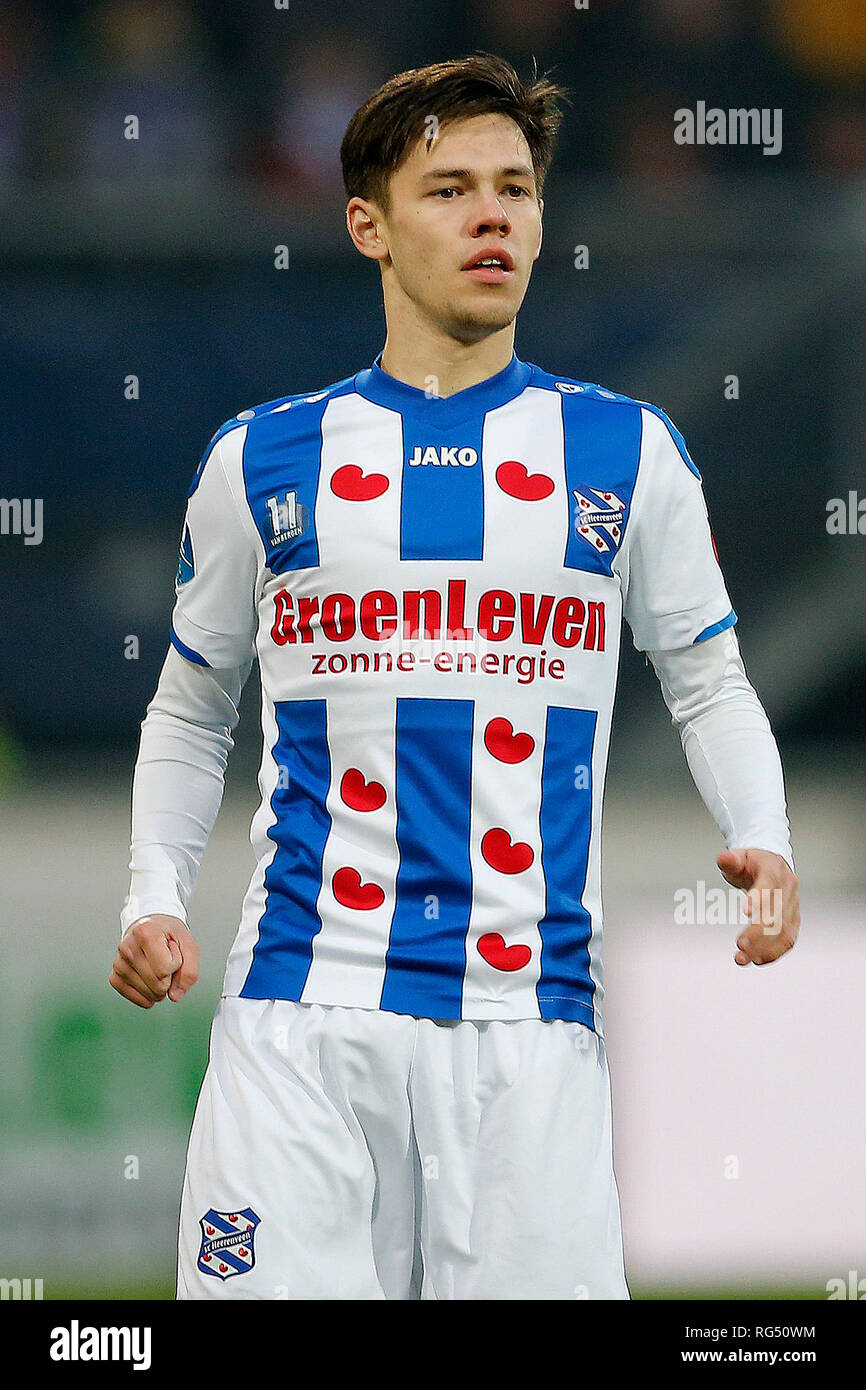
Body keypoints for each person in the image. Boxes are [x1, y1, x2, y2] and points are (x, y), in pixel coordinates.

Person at [110, 53, 799, 1300]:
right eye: (451, 189)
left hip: (529, 1026)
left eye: (516, 188)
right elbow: (192, 703)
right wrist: (151, 891)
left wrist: (762, 833)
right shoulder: (260, 459)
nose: (493, 215)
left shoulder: (627, 452)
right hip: (303, 1016)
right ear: (366, 224)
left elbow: (706, 682)